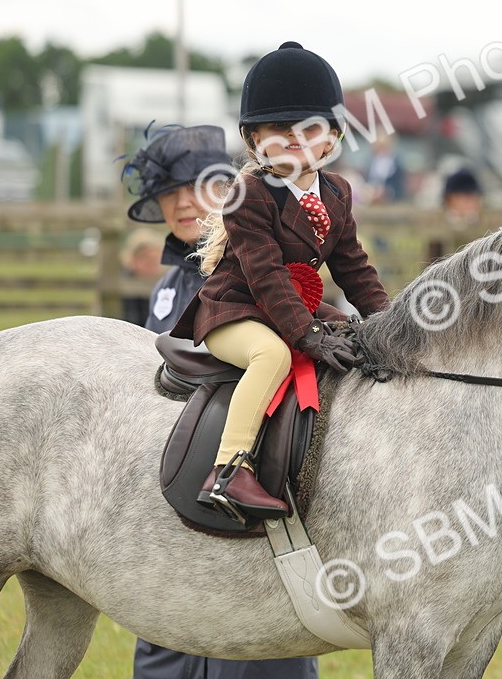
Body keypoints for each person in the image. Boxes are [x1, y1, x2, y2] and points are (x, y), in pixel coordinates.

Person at [122, 123, 320, 678]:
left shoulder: (256, 256)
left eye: (197, 187)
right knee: (165, 625)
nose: (183, 203)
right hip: (170, 475)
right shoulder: (167, 285)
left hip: (254, 467)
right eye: (169, 192)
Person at [170, 41, 390, 520]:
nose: (295, 138)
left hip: (292, 310)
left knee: (357, 341)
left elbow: (353, 267)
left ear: (332, 138)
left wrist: (391, 323)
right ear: (254, 140)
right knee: (271, 356)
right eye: (279, 129)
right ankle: (228, 471)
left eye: (309, 128)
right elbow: (265, 274)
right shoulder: (248, 193)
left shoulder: (338, 192)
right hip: (236, 310)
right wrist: (307, 334)